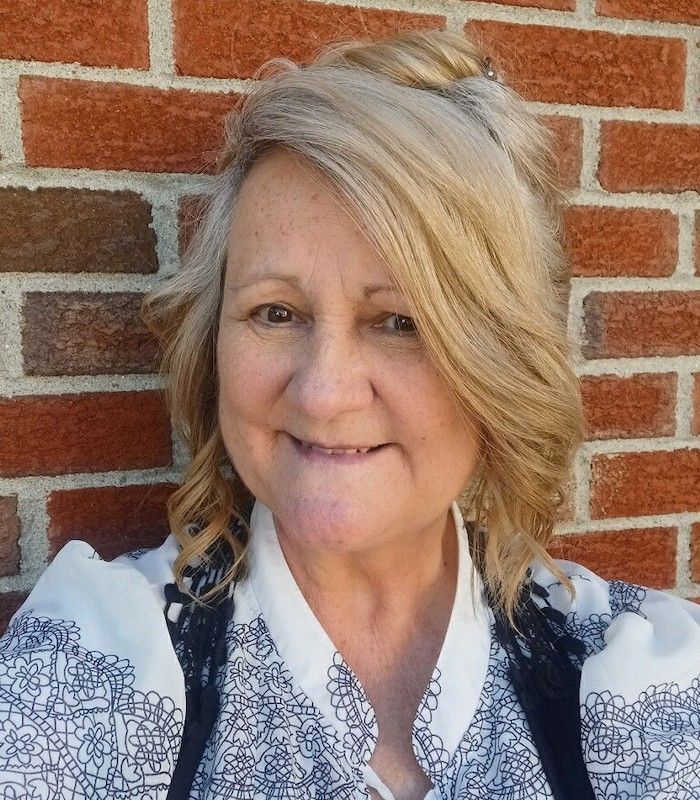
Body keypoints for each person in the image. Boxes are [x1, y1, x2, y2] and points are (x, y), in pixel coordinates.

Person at [0, 27, 698, 800]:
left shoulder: (631, 683)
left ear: (504, 362)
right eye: (275, 313)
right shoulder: (105, 663)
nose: (324, 393)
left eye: (402, 323)